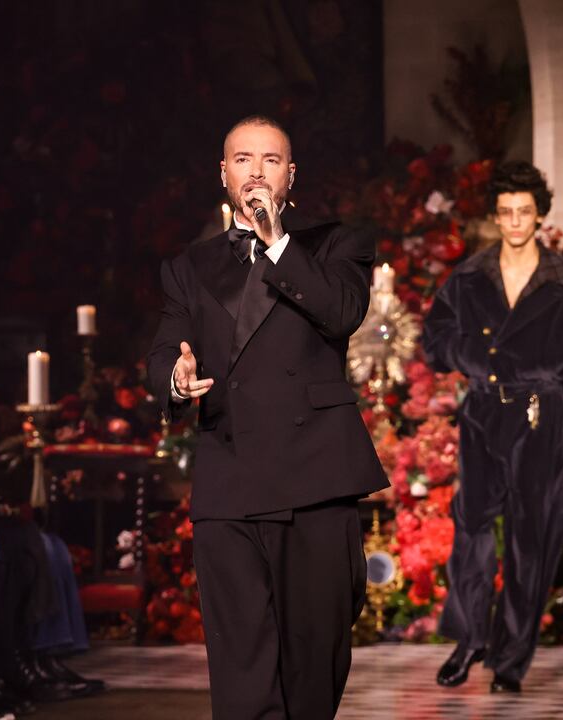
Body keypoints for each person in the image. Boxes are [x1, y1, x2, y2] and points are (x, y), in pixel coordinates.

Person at [146, 115, 387, 718]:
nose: (256, 171)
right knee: (241, 663)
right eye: (243, 159)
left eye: (271, 160)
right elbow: (163, 346)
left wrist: (278, 242)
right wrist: (173, 379)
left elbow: (340, 314)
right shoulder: (190, 266)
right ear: (223, 174)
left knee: (314, 658)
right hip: (230, 477)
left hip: (316, 475)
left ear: (290, 175)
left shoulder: (339, 243)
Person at [423, 161, 563, 693]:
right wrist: (466, 353)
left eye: (525, 213)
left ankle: (510, 661)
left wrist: (555, 355)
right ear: (496, 217)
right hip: (484, 409)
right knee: (470, 527)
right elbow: (434, 339)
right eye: (506, 213)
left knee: (531, 538)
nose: (515, 222)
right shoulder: (469, 278)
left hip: (539, 413)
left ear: (540, 217)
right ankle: (470, 639)